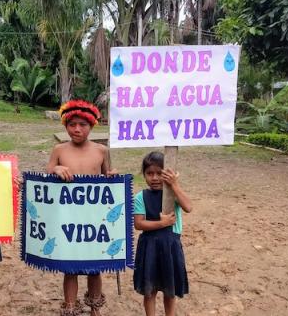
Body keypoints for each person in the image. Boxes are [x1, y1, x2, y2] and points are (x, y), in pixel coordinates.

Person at [46, 100, 117, 316]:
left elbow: (107, 178)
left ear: (92, 126)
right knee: (71, 267)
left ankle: (95, 307)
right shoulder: (59, 149)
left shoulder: (101, 150)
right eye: (72, 124)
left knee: (94, 267)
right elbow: (45, 175)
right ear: (66, 125)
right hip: (67, 217)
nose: (77, 129)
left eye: (82, 124)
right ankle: (70, 307)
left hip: (94, 218)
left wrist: (112, 178)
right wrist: (56, 169)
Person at [133, 151, 193, 316]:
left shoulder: (173, 195)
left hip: (171, 247)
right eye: (149, 173)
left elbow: (188, 207)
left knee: (170, 289)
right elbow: (138, 224)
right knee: (149, 290)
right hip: (149, 247)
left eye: (159, 173)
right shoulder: (140, 197)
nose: (154, 178)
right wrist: (162, 223)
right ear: (144, 175)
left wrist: (174, 185)